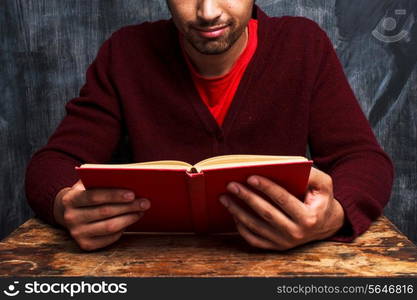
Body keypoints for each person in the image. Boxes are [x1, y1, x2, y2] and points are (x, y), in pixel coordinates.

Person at [25, 0, 394, 251]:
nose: (207, 12)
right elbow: (52, 163)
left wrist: (334, 216)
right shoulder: (126, 52)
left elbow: (363, 158)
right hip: (151, 267)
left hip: (277, 267)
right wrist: (64, 204)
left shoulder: (303, 43)